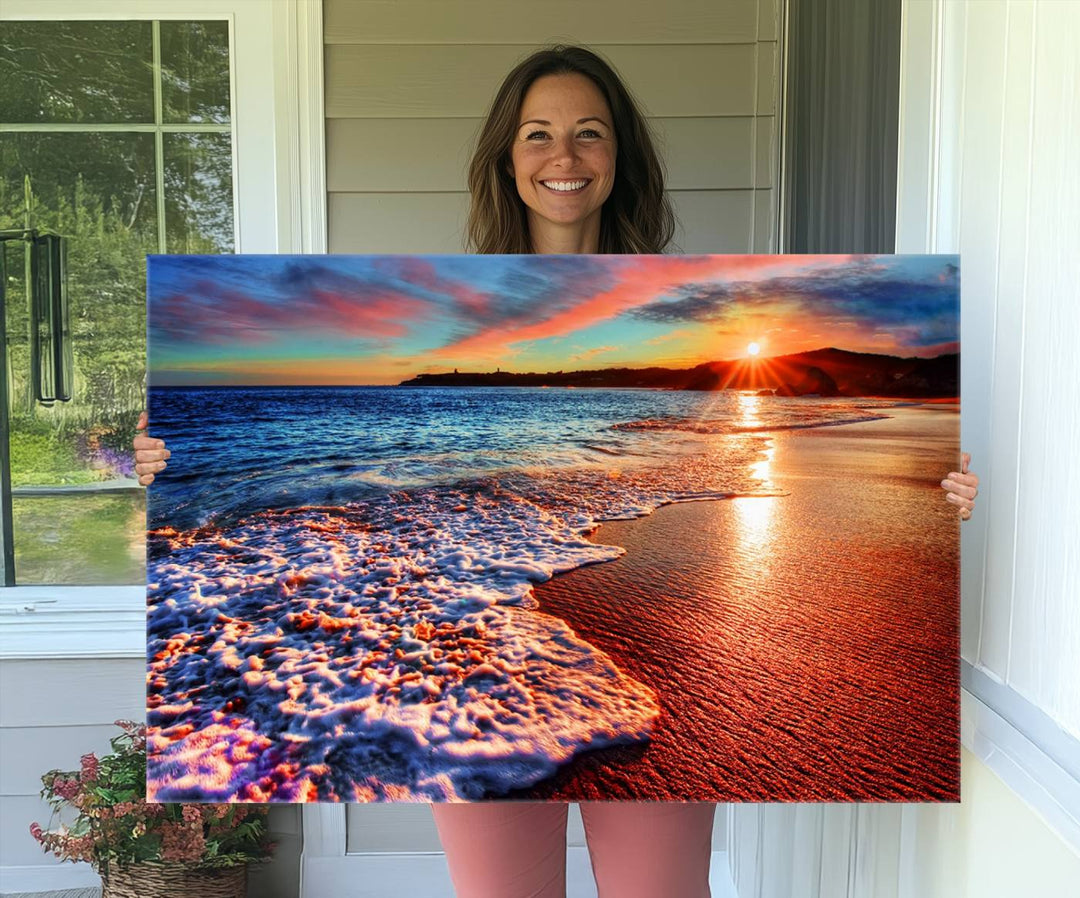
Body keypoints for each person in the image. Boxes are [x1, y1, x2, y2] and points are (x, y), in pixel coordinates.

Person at [134, 45, 979, 898]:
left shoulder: (699, 282)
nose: (564, 157)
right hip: (459, 655)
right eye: (537, 134)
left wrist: (952, 486)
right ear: (507, 157)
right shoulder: (452, 287)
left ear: (620, 158)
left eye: (589, 134)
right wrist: (160, 459)